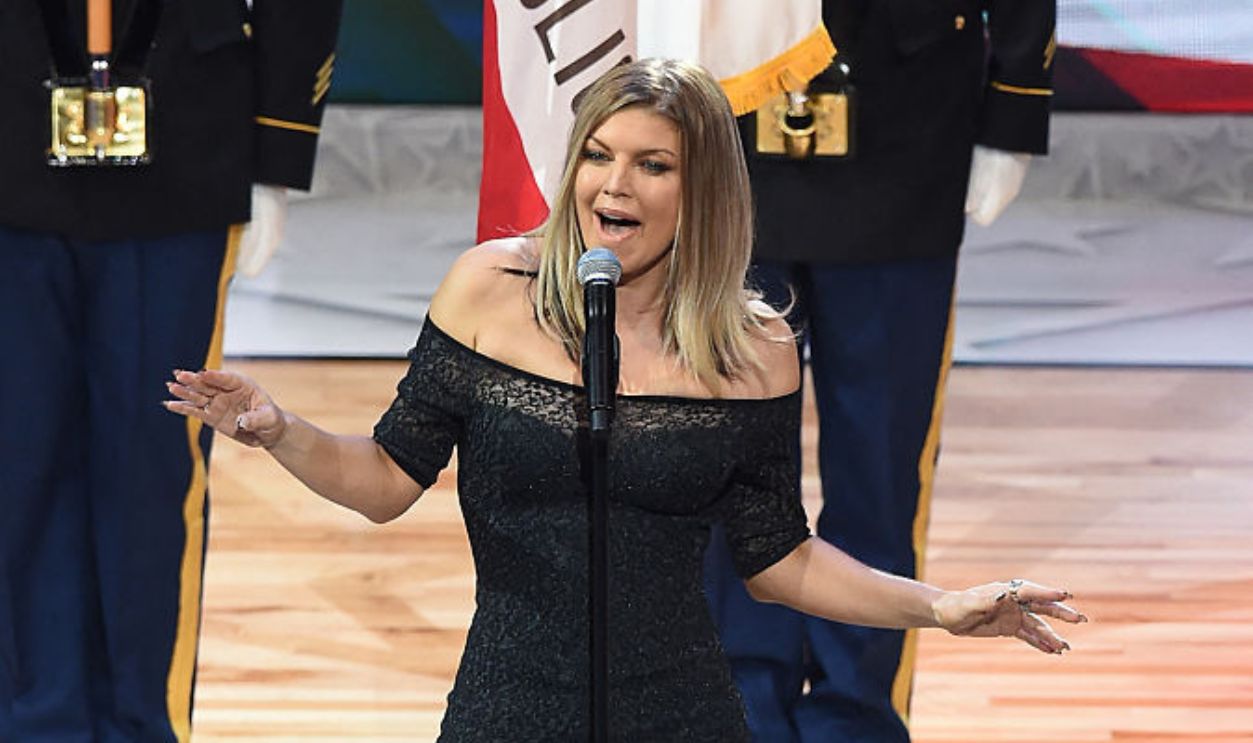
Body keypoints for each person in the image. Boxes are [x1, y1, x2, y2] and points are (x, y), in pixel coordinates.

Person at [163, 58, 1081, 741]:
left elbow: (778, 559)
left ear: (704, 190)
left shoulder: (753, 349)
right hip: (505, 704)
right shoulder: (488, 290)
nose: (614, 183)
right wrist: (279, 430)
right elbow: (386, 478)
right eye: (598, 155)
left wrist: (943, 605)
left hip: (679, 709)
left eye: (653, 164)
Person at [702, 1, 1059, 741]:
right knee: (718, 462)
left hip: (906, 122)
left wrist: (1014, 103)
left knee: (879, 467)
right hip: (721, 122)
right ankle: (736, 707)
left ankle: (853, 712)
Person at [0, 1, 343, 740]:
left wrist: (278, 149)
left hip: (184, 133)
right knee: (18, 460)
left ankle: (141, 721)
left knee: (151, 466)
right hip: (7, 124)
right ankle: (34, 720)